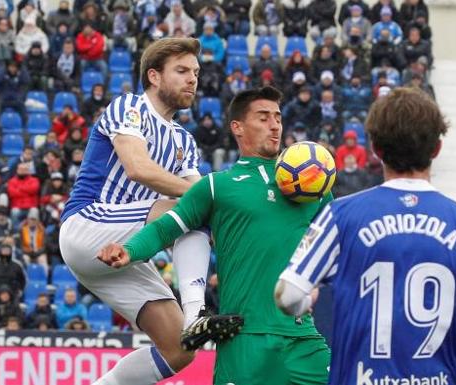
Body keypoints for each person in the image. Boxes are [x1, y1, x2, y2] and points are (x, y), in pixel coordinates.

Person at [275, 88, 456, 385]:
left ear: (375, 148)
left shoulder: (340, 215)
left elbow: (286, 295)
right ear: (437, 149)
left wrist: (305, 302)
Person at [98, 86, 331, 385]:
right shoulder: (216, 186)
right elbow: (166, 227)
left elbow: (337, 246)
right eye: (263, 117)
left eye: (277, 117)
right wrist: (129, 250)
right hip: (245, 341)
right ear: (238, 127)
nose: (274, 125)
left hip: (302, 337)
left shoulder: (313, 184)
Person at [58, 38, 225, 385]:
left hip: (125, 249)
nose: (192, 79)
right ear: (154, 75)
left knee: (180, 349)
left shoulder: (184, 141)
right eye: (181, 71)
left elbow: (204, 201)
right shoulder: (129, 108)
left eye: (195, 72)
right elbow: (138, 168)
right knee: (189, 208)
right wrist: (211, 193)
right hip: (86, 226)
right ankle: (197, 308)